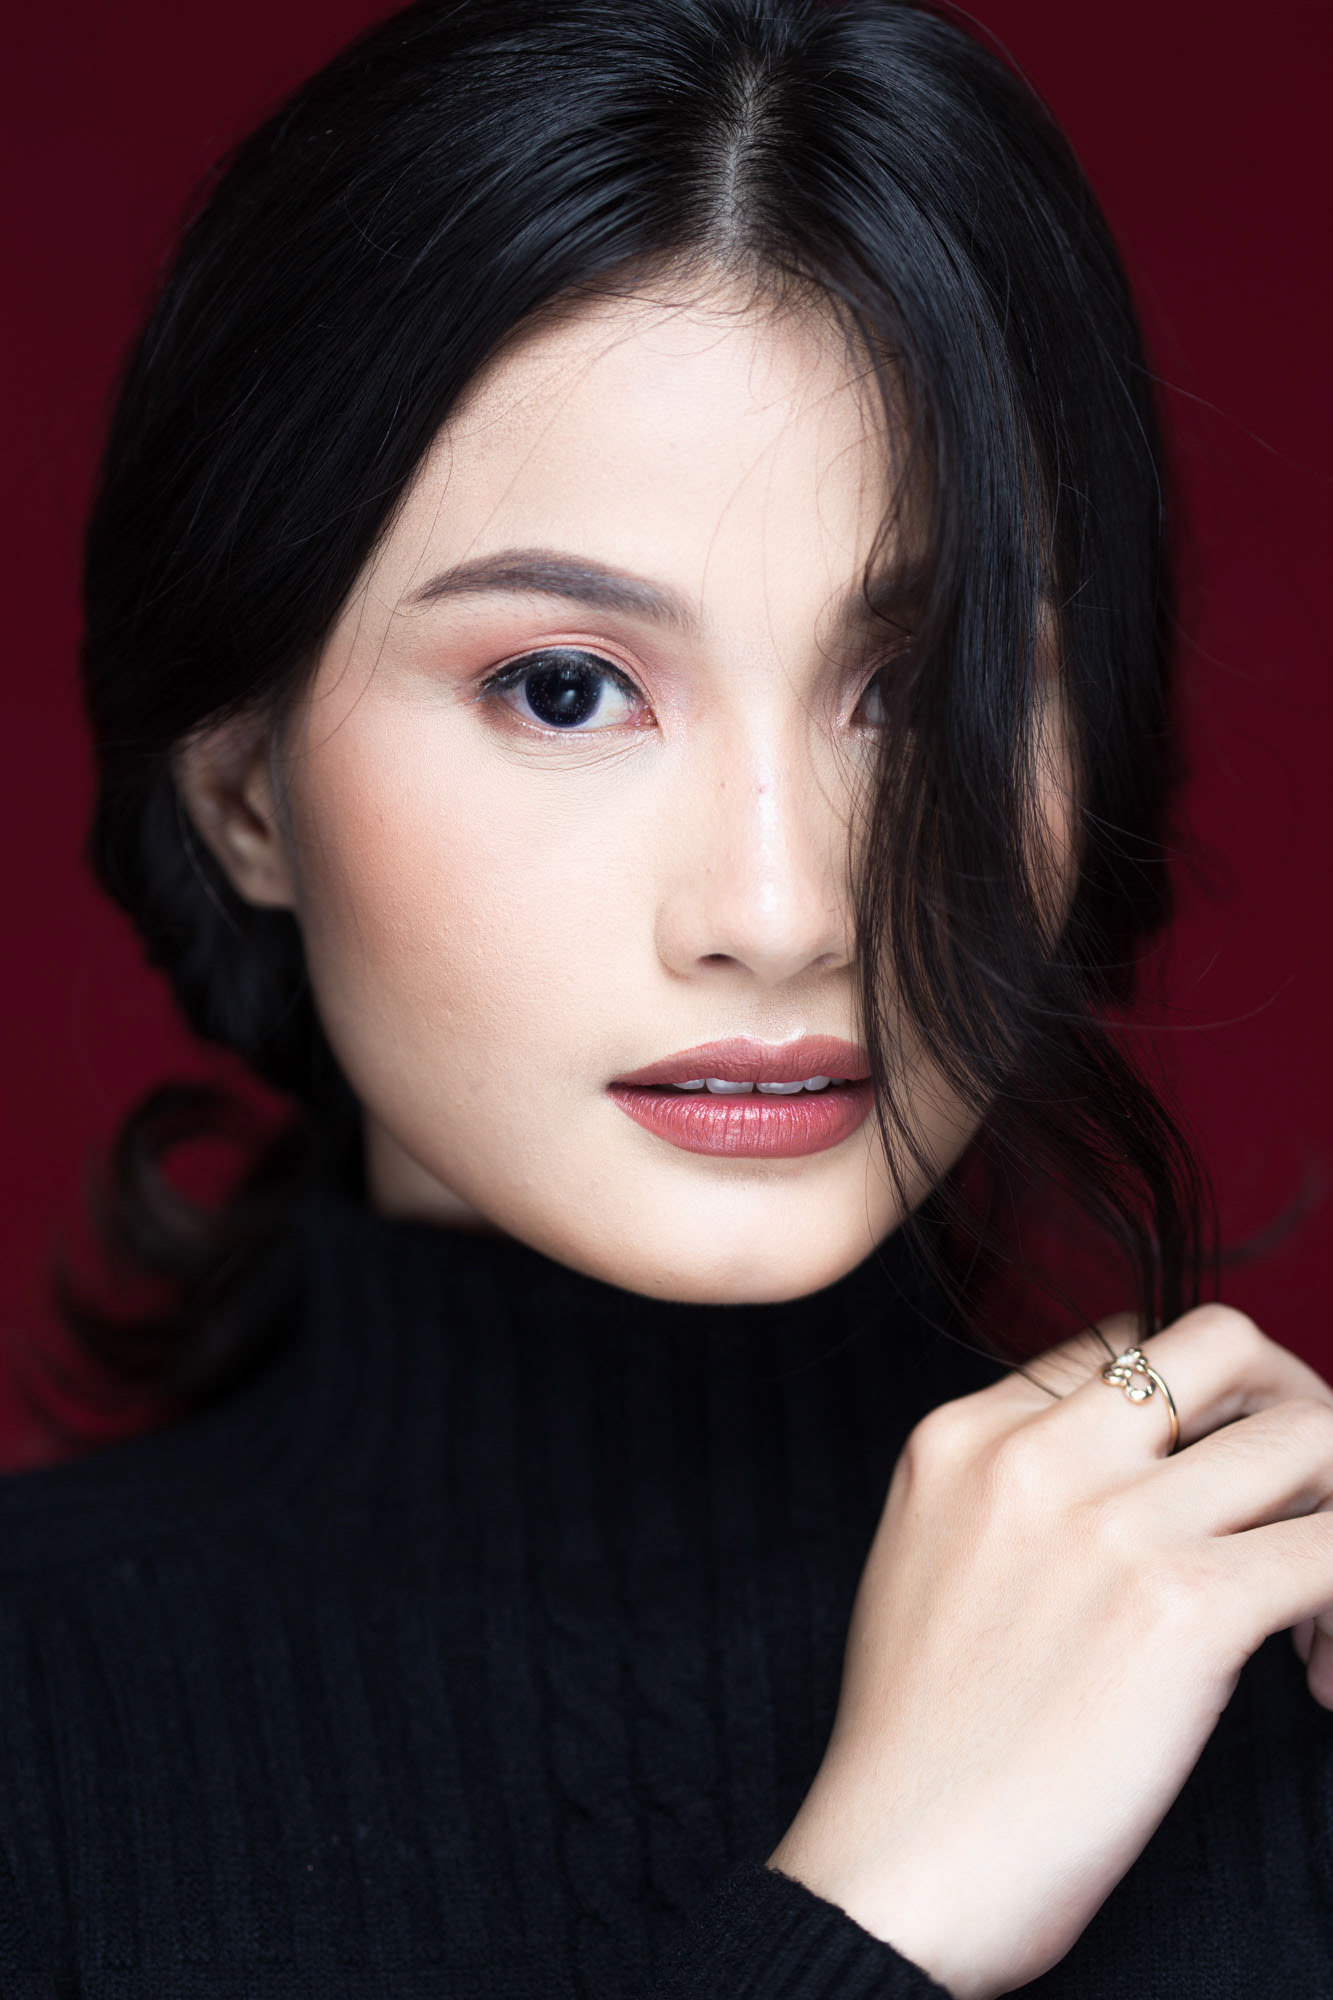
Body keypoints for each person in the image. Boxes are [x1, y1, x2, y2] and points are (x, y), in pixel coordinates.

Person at [1, 0, 1329, 1993]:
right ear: (243, 792)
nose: (779, 913)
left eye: (919, 690)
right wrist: (876, 1908)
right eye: (564, 688)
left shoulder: (1281, 1682)